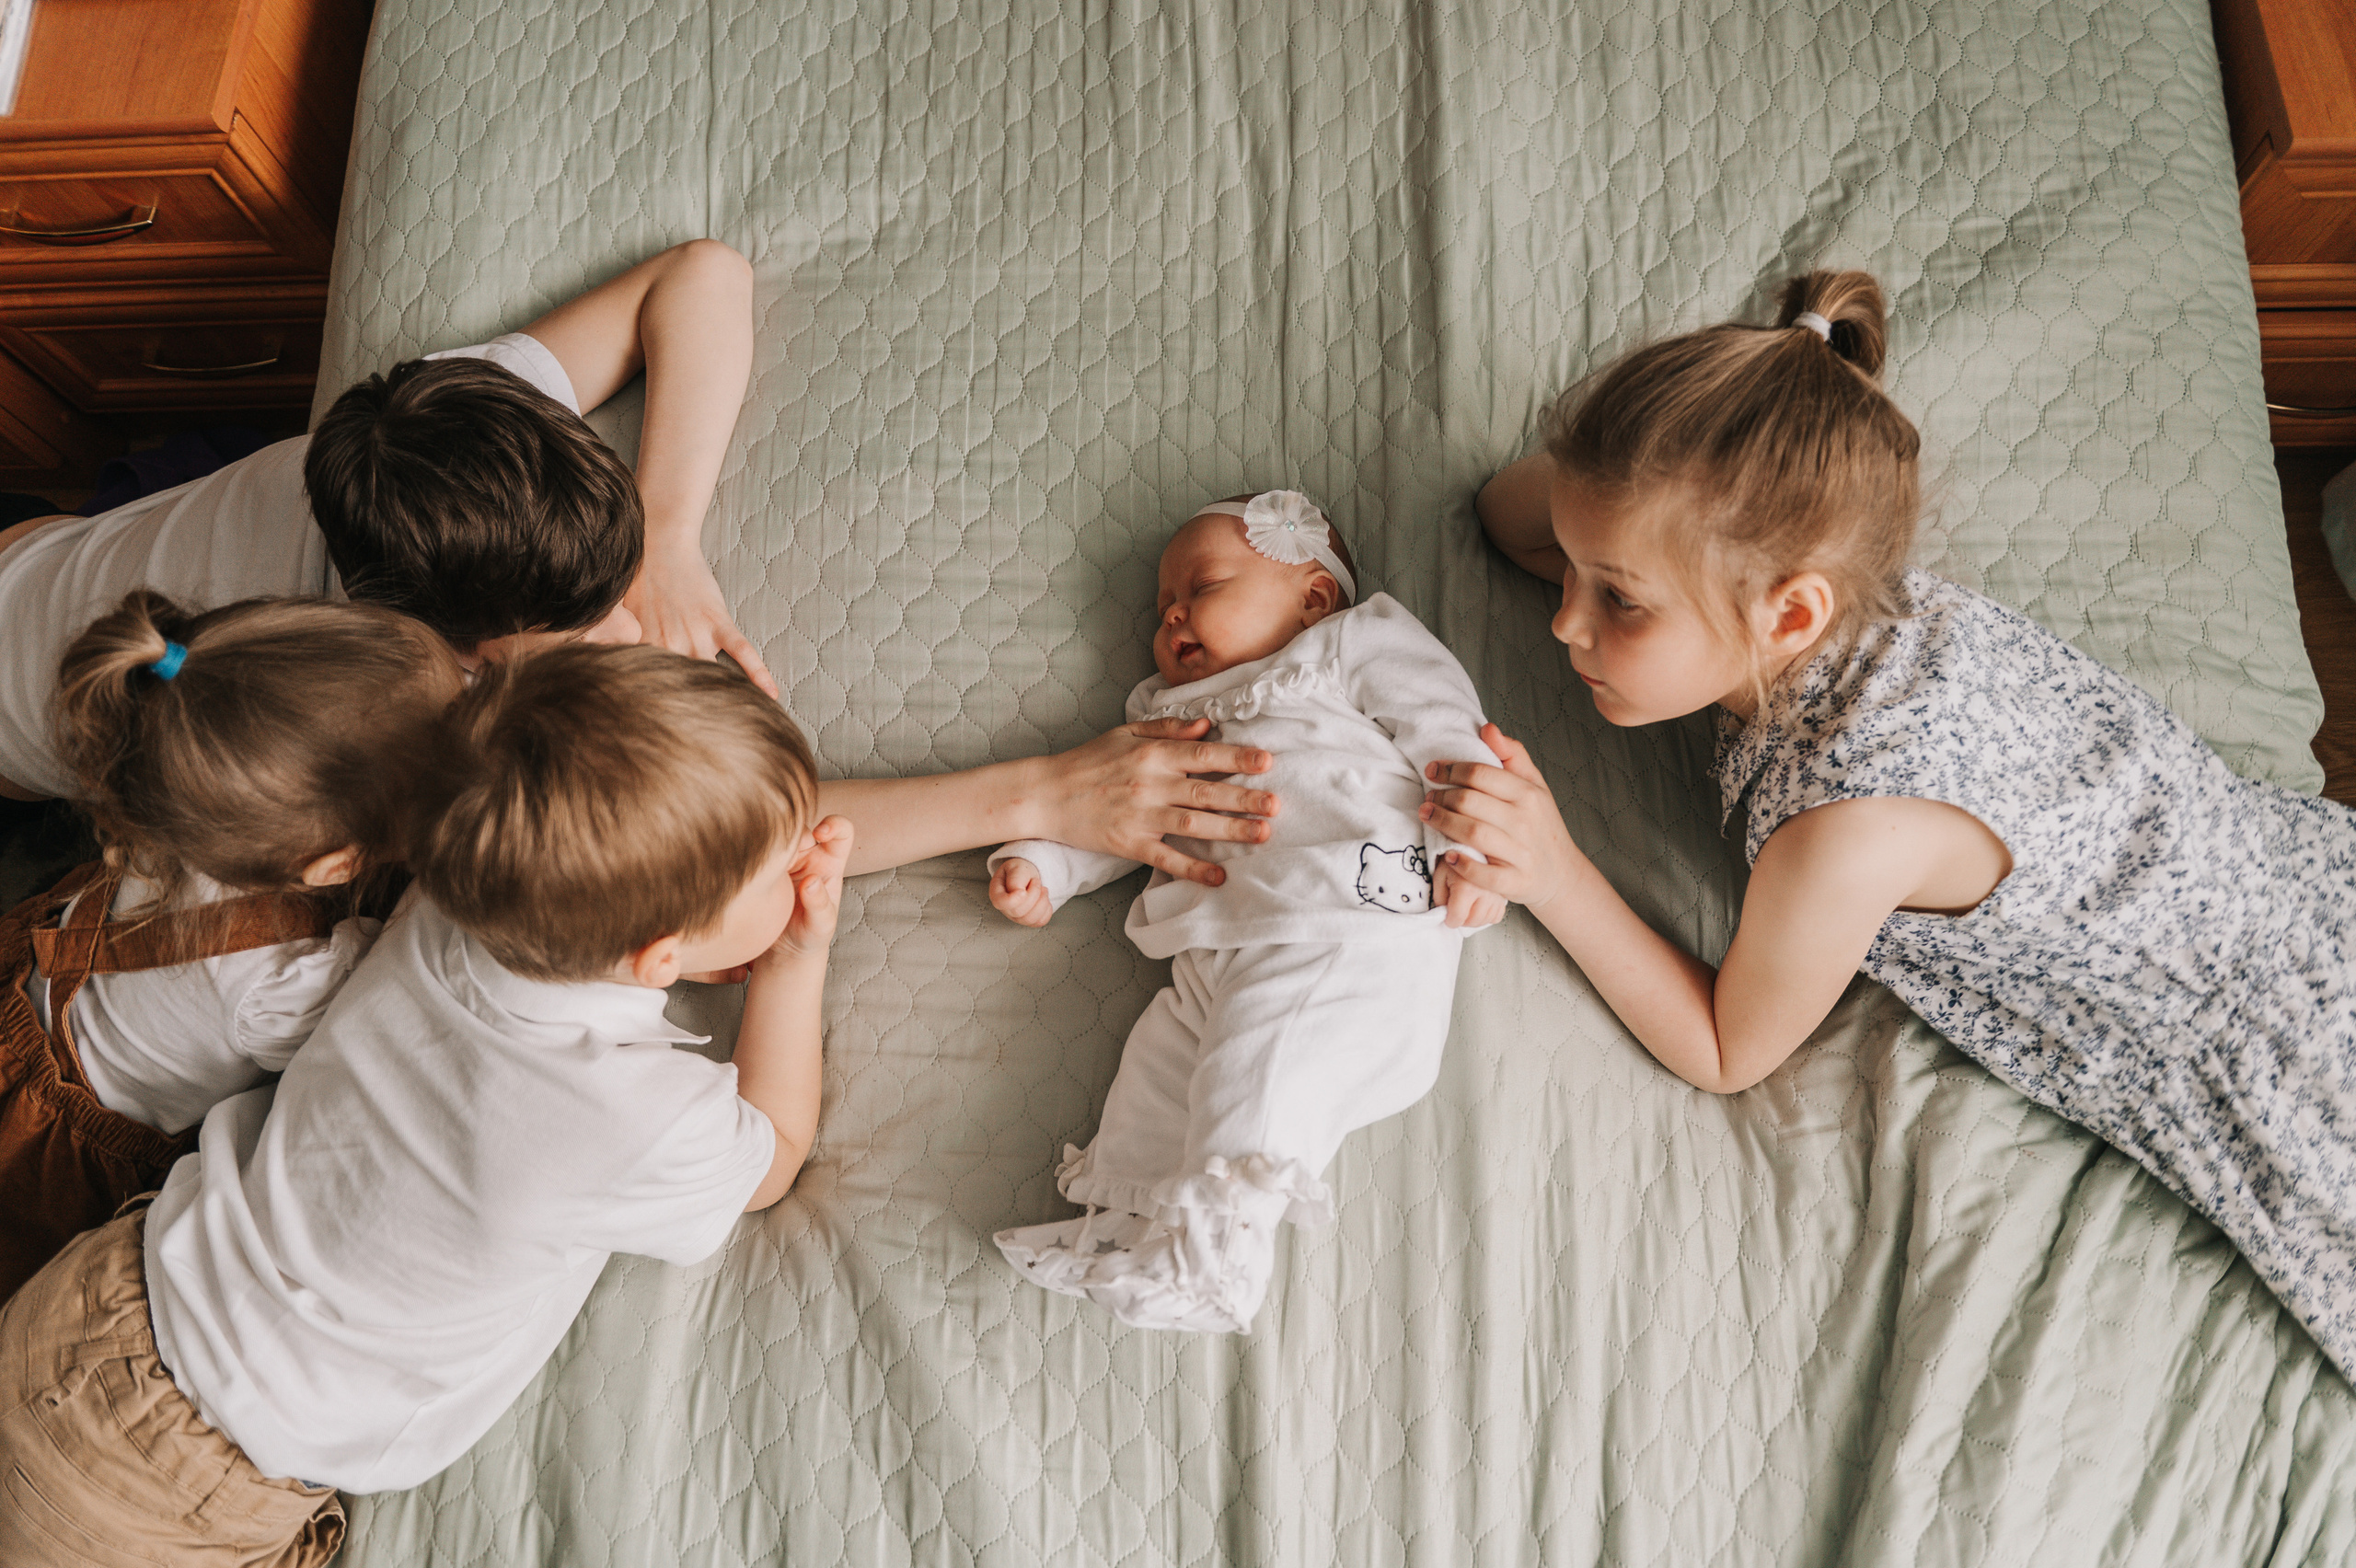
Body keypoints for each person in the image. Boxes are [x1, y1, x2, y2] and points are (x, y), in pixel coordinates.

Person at [1426, 269, 2356, 1378]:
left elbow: (1727, 1052)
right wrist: (1655, 462)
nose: (1565, 622)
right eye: (1576, 575)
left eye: (1618, 599)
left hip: (2267, 1042)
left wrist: (1554, 871)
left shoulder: (1843, 832)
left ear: (1790, 615)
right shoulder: (1828, 572)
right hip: (2257, 865)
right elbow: (1507, 514)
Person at [0, 642, 848, 1563]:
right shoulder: (644, 1117)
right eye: (782, 867)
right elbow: (772, 1154)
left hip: (100, 1293)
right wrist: (796, 960)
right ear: (659, 957)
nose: (806, 861)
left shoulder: (452, 900)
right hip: (187, 1471)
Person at [0, 238, 770, 803]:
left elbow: (702, 274)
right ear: (443, 642)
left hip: (38, 551)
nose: (627, 627)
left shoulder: (422, 426)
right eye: (571, 630)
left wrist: (666, 537)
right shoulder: (379, 706)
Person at [987, 491, 1503, 1332]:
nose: (1173, 613)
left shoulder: (1352, 644)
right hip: (1219, 956)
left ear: (1314, 596)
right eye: (1163, 606)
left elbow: (1447, 732)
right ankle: (1131, 1233)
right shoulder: (1168, 717)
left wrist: (1473, 852)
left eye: (1203, 586)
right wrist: (1049, 864)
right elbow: (1122, 815)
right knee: (1162, 1073)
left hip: (1347, 937)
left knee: (1251, 1074)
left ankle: (1220, 1254)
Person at [0, 591, 463, 1300]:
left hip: (26, 1005)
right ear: (335, 867)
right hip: (59, 1149)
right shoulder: (293, 978)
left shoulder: (189, 784)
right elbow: (364, 1054)